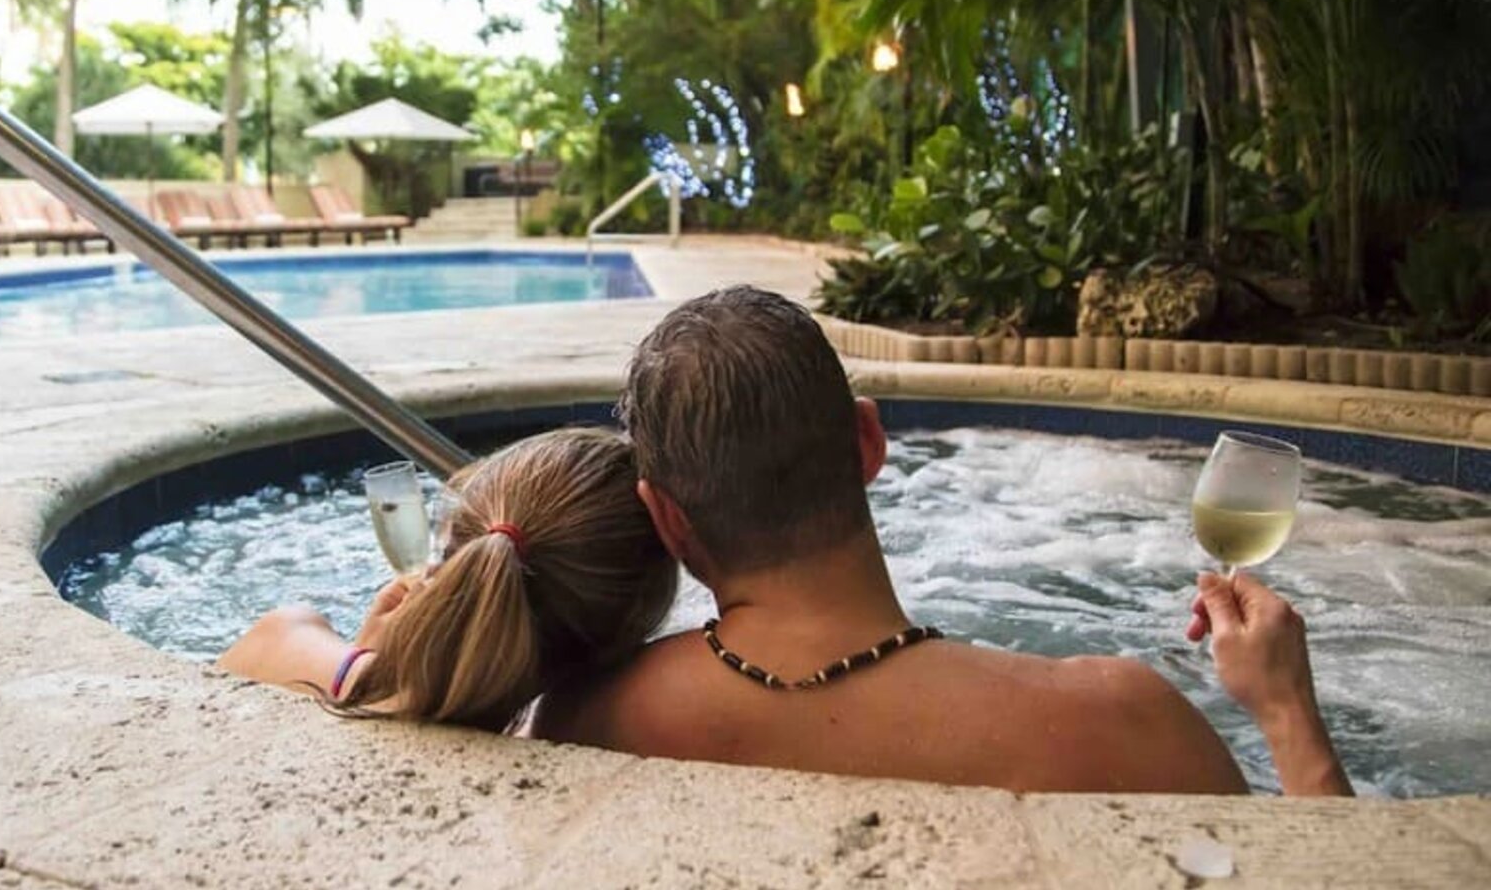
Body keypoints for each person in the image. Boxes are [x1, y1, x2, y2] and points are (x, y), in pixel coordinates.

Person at [538, 285, 1351, 796]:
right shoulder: (1128, 722)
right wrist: (1285, 711)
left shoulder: (584, 717)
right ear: (869, 445)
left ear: (665, 516)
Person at [220, 427, 679, 733]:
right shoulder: (584, 745)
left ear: (452, 552)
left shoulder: (283, 636)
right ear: (621, 639)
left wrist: (371, 661)